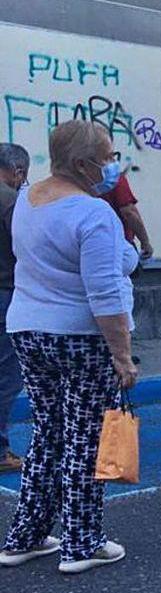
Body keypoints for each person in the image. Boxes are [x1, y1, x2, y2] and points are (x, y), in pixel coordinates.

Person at [0, 121, 138, 574]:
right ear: (82, 164)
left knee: (48, 432)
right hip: (80, 336)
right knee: (86, 437)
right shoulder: (93, 213)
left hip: (27, 328)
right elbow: (104, 293)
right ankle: (83, 542)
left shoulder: (27, 199)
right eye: (108, 156)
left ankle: (27, 535)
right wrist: (122, 354)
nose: (113, 165)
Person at [0, 145, 28, 473]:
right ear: (18, 171)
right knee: (7, 373)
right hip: (6, 292)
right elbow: (25, 247)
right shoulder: (10, 201)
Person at [100, 170, 153, 260]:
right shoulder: (114, 179)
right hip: (119, 245)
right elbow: (129, 212)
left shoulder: (80, 181)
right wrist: (145, 242)